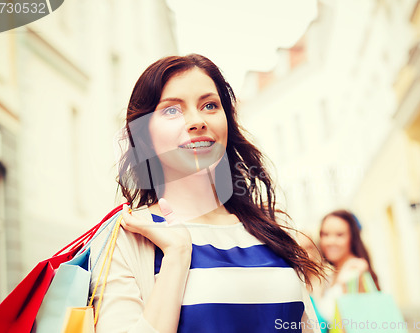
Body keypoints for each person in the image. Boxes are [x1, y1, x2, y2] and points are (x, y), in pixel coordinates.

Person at [90, 54, 326, 333]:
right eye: (171, 110)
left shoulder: (269, 229)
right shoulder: (128, 237)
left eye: (210, 105)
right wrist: (176, 255)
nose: (197, 120)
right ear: (144, 134)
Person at [315, 209, 380, 323]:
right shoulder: (332, 275)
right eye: (325, 234)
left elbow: (358, 322)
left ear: (352, 238)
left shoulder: (355, 272)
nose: (331, 241)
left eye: (339, 235)